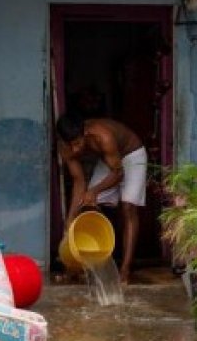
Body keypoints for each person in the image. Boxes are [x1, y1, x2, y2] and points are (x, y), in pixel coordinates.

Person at [56, 112, 147, 284]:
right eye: (70, 145)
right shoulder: (65, 147)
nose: (75, 150)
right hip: (109, 161)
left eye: (77, 143)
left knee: (128, 207)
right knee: (87, 205)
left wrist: (95, 190)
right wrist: (70, 220)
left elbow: (118, 173)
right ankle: (80, 266)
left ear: (86, 134)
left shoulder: (102, 136)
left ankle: (125, 270)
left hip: (132, 154)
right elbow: (79, 181)